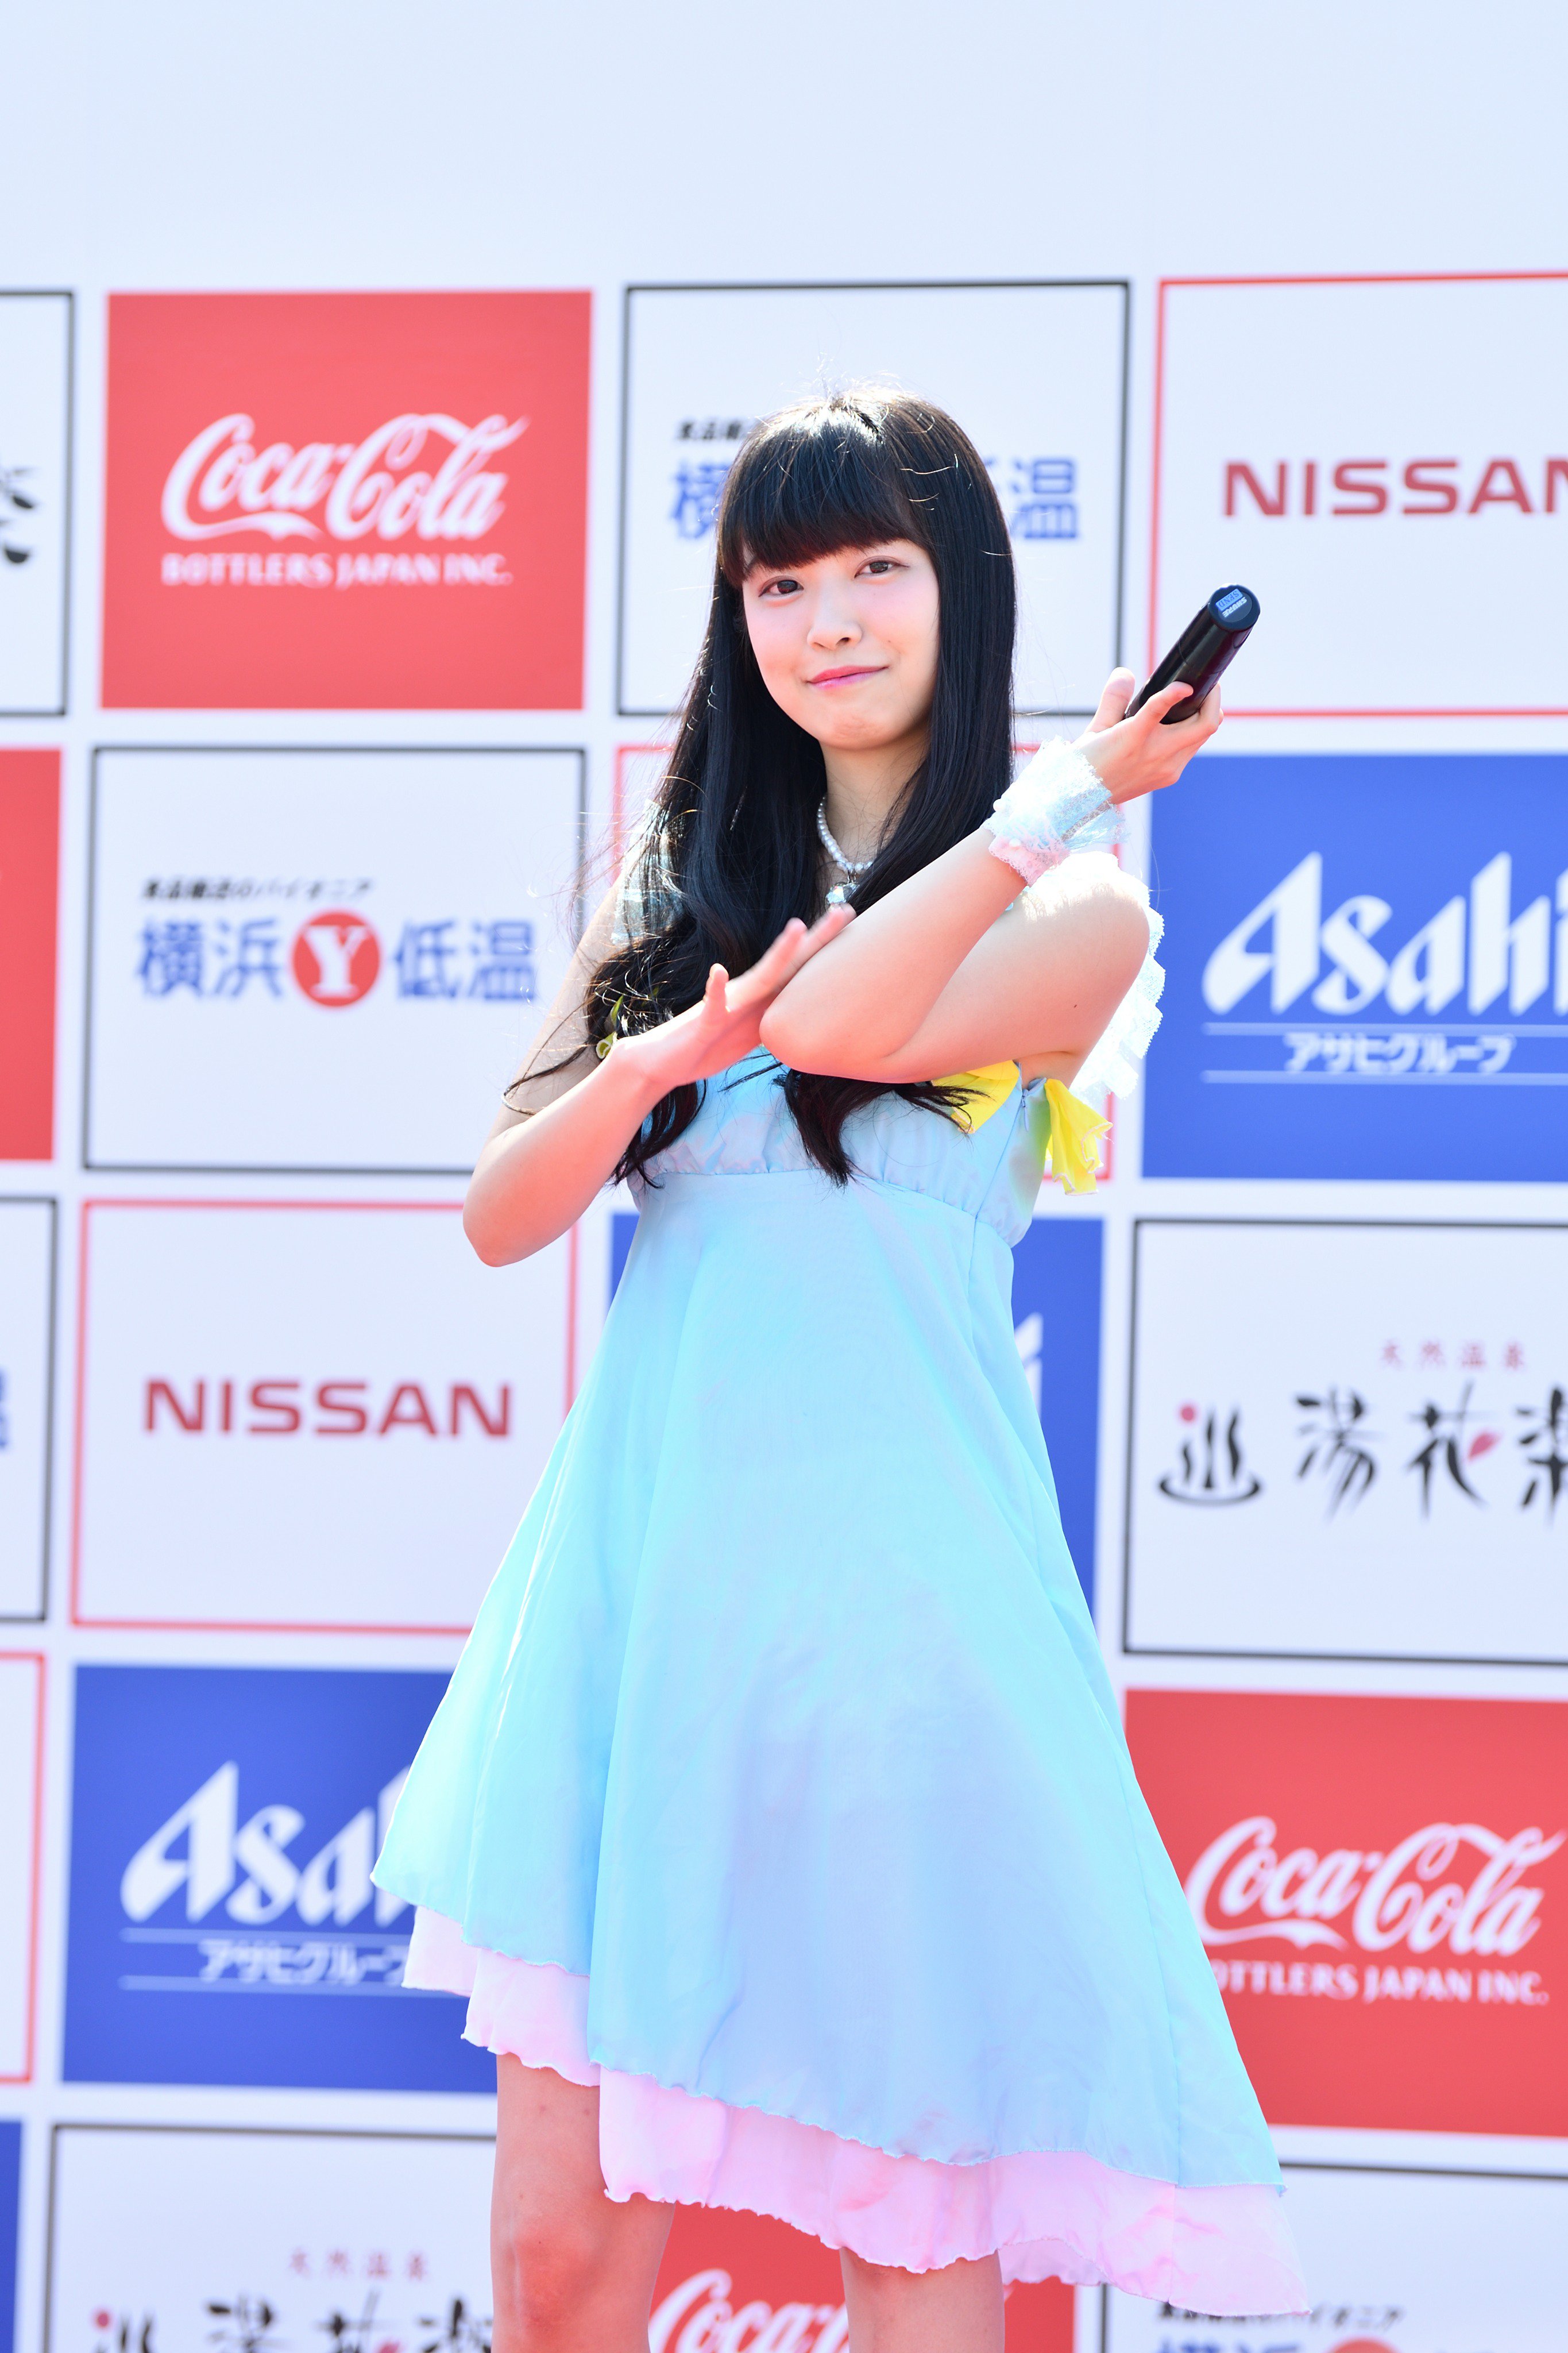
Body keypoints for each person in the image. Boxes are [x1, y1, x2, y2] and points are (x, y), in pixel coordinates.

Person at [374, 389, 1307, 2351]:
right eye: (777, 583)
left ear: (961, 586)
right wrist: (648, 1060)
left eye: (876, 566)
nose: (828, 621)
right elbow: (501, 1212)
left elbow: (848, 1031)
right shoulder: (675, 893)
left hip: (897, 1610)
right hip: (639, 1595)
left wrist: (1056, 796)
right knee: (554, 2264)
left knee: (905, 2234)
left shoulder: (1080, 905)